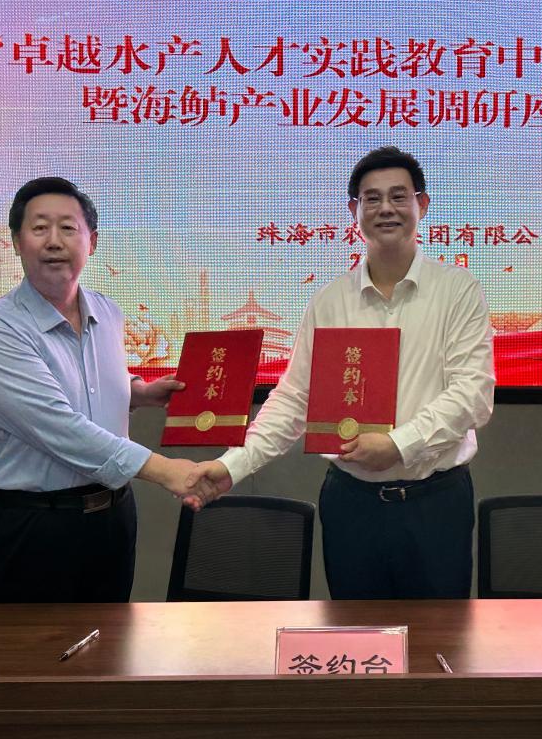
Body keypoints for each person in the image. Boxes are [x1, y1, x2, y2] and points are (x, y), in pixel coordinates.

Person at [196, 147, 495, 599]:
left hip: (435, 504)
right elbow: (294, 399)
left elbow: (472, 395)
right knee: (356, 634)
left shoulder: (457, 291)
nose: (386, 208)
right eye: (371, 199)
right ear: (354, 211)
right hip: (351, 504)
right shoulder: (330, 301)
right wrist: (230, 467)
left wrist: (397, 444)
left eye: (398, 196)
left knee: (439, 636)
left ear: (422, 204)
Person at [0, 176, 226, 603]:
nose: (54, 241)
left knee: (110, 640)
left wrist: (138, 391)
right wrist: (165, 470)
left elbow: (85, 381)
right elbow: (56, 425)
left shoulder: (108, 312)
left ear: (93, 242)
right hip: (30, 526)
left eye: (68, 228)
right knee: (25, 646)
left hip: (112, 518)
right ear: (16, 242)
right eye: (39, 228)